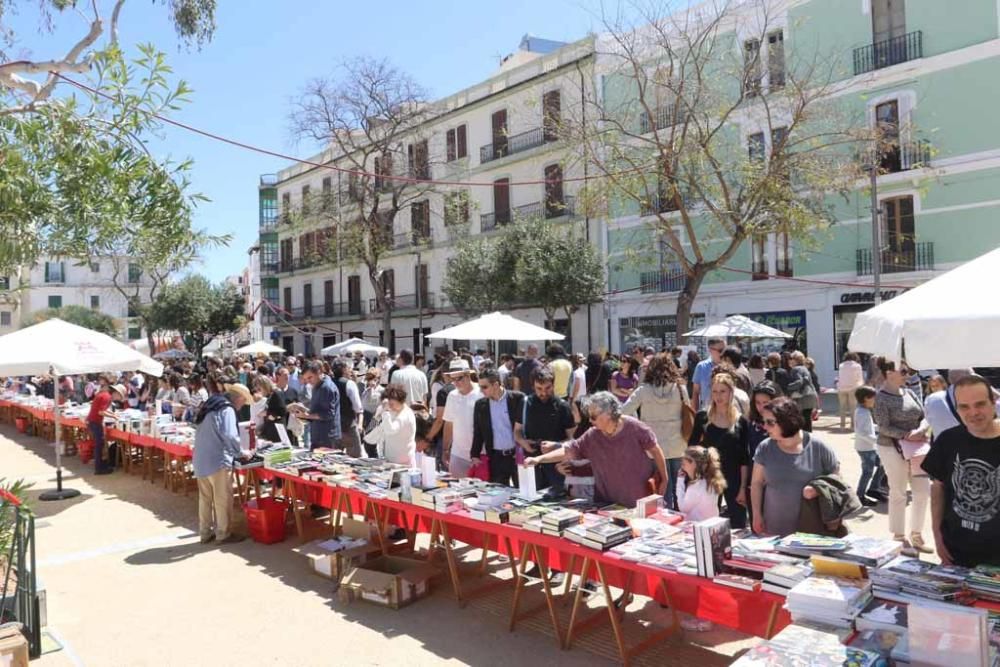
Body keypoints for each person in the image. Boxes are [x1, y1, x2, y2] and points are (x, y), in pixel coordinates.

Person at [525, 391, 668, 507]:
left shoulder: (636, 428)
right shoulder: (593, 435)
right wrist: (539, 459)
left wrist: (664, 479)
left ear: (609, 413)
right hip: (607, 503)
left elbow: (656, 450)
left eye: (593, 416)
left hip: (638, 502)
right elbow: (569, 450)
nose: (590, 421)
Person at [922, 374, 1000, 567]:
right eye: (964, 406)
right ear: (956, 409)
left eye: (980, 404)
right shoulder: (948, 440)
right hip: (954, 553)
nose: (973, 412)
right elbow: (937, 487)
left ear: (994, 403)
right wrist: (937, 536)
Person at [751, 396, 840, 536]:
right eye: (764, 422)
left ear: (787, 421)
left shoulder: (818, 447)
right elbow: (756, 483)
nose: (765, 426)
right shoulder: (765, 448)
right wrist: (756, 514)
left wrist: (818, 489)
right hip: (774, 530)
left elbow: (837, 480)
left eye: (770, 422)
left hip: (812, 532)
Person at [872, 357, 931, 555]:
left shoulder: (908, 392)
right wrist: (906, 435)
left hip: (916, 449)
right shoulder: (880, 397)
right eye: (903, 371)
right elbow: (883, 427)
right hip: (891, 448)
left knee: (922, 492)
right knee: (898, 492)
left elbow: (923, 416)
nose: (908, 374)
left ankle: (917, 534)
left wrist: (922, 430)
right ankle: (899, 537)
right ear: (889, 373)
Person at [621, 353, 689, 509]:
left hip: (653, 447)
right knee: (679, 486)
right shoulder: (680, 389)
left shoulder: (643, 390)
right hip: (678, 443)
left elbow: (623, 412)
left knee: (660, 487)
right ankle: (681, 517)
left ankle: (666, 517)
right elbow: (688, 411)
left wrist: (637, 425)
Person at [688, 374, 750, 528]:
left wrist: (743, 488)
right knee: (707, 524)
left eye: (723, 391)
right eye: (715, 391)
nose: (718, 396)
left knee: (738, 524)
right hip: (709, 477)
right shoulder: (702, 417)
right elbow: (691, 448)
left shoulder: (741, 421)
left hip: (734, 478)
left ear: (731, 392)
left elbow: (745, 458)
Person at [193, 380, 251, 544]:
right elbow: (230, 435)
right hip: (217, 460)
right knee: (222, 498)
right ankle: (223, 533)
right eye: (243, 402)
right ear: (238, 399)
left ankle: (205, 532)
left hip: (201, 459)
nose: (243, 405)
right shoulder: (226, 409)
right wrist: (240, 452)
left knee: (205, 498)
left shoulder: (211, 406)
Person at [514, 367, 576, 495]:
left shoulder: (562, 406)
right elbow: (517, 430)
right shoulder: (525, 403)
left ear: (553, 385)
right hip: (531, 465)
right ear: (533, 386)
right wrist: (523, 442)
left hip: (556, 468)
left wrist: (555, 445)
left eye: (548, 388)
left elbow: (573, 440)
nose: (543, 393)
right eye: (539, 389)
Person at [470, 368, 525, 486]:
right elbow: (478, 431)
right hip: (496, 458)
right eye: (480, 387)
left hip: (517, 455)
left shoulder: (517, 399)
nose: (481, 391)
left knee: (522, 492)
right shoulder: (480, 405)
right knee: (498, 495)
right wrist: (475, 454)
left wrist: (522, 450)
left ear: (495, 385)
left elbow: (526, 427)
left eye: (484, 387)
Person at [442, 359, 482, 478]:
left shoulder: (481, 393)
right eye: (453, 379)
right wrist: (445, 449)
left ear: (468, 375)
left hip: (480, 454)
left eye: (459, 378)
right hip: (458, 454)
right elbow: (448, 423)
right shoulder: (452, 396)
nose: (456, 382)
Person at [290, 361, 341, 450]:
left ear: (319, 372)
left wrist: (306, 415)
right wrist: (303, 410)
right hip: (318, 435)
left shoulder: (326, 387)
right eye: (306, 378)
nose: (308, 381)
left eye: (310, 377)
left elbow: (328, 414)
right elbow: (318, 410)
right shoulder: (317, 385)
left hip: (327, 437)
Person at [367, 384, 416, 466]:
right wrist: (379, 414)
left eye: (392, 404)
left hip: (404, 464)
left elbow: (390, 430)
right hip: (390, 461)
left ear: (401, 401)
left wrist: (385, 412)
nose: (390, 407)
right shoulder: (393, 411)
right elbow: (370, 432)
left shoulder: (406, 415)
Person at [677, 446, 726, 521]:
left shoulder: (696, 486)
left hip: (699, 527)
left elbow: (683, 508)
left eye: (684, 462)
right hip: (711, 524)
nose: (682, 464)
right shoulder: (710, 479)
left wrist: (680, 481)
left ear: (693, 463)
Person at [922, 368, 972, 439]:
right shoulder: (975, 395)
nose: (935, 388)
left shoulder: (931, 399)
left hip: (942, 444)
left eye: (937, 385)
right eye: (933, 386)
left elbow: (928, 419)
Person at [853, 386, 881, 507]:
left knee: (883, 464)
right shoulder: (862, 412)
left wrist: (879, 428)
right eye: (873, 398)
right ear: (866, 398)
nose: (875, 401)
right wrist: (876, 440)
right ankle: (860, 495)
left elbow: (868, 427)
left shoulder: (863, 410)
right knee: (867, 472)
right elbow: (861, 432)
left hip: (869, 447)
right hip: (866, 448)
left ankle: (874, 488)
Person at [88, 383, 124, 475]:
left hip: (94, 421)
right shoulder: (107, 397)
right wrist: (113, 416)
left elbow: (102, 410)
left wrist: (113, 415)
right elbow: (101, 412)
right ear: (116, 393)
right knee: (99, 445)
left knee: (100, 444)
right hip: (95, 422)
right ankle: (99, 468)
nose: (118, 399)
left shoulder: (105, 395)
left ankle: (100, 465)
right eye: (120, 396)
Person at [333, 360, 363, 457]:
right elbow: (357, 407)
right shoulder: (349, 384)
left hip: (333, 426)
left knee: (335, 458)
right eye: (347, 368)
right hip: (348, 425)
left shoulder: (328, 383)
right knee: (355, 458)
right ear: (343, 369)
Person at [786, 351, 819, 432]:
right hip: (810, 396)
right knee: (807, 421)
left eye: (791, 358)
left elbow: (799, 382)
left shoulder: (796, 369)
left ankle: (804, 440)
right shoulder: (804, 368)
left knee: (802, 422)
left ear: (795, 360)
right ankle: (809, 439)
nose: (789, 361)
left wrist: (787, 387)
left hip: (802, 399)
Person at [691, 337, 725, 410]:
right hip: (706, 411)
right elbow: (695, 392)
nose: (723, 353)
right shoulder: (701, 367)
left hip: (725, 412)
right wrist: (694, 415)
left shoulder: (728, 367)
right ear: (710, 350)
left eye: (725, 350)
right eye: (720, 350)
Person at [255, 375, 288, 443]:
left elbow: (282, 411)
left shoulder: (276, 393)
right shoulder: (270, 395)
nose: (259, 391)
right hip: (271, 429)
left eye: (259, 389)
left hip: (277, 430)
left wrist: (266, 413)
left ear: (264, 386)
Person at [837, 352, 865, 430]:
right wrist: (861, 386)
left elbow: (840, 376)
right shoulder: (857, 366)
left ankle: (842, 426)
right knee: (853, 408)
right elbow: (860, 378)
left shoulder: (841, 365)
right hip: (853, 388)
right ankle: (853, 426)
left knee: (842, 407)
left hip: (841, 388)